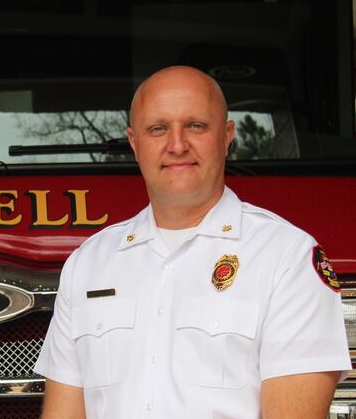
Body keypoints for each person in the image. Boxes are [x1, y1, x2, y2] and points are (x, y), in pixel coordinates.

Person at [34, 66, 351, 418]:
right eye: (158, 129)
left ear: (227, 135)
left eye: (196, 126)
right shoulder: (88, 264)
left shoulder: (286, 258)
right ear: (135, 143)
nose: (177, 145)